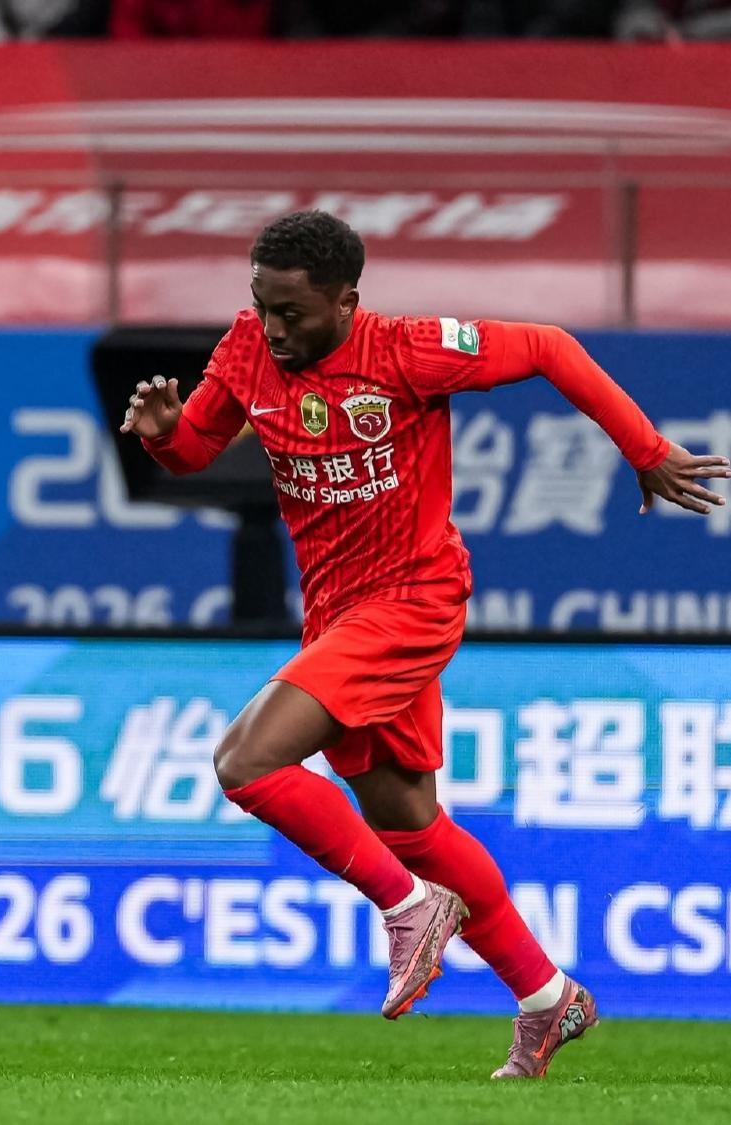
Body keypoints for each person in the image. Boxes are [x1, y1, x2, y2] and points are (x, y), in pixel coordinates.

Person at [122, 209, 728, 1079]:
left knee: (244, 762)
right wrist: (162, 433)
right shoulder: (247, 348)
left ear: (345, 301)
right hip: (335, 612)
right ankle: (547, 995)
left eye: (292, 311)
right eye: (261, 305)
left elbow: (549, 346)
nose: (273, 327)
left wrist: (644, 447)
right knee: (406, 820)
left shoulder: (406, 350)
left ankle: (407, 907)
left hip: (411, 598)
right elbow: (196, 449)